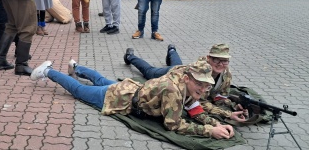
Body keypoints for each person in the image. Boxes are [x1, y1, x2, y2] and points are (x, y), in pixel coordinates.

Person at [31, 60, 235, 139]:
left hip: (130, 89)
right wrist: (210, 131)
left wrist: (216, 122)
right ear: (187, 78)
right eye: (199, 83)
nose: (203, 88)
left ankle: (76, 67)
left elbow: (194, 107)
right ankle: (47, 71)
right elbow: (174, 125)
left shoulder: (185, 78)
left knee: (101, 80)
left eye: (206, 84)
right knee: (78, 90)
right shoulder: (174, 90)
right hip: (120, 98)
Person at [124, 44, 248, 122]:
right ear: (208, 58)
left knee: (177, 63)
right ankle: (130, 56)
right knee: (149, 71)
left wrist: (232, 105)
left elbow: (220, 97)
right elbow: (199, 102)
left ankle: (172, 50)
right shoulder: (201, 75)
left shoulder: (226, 75)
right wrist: (227, 114)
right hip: (172, 74)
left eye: (225, 61)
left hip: (183, 70)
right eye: (217, 60)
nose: (221, 64)